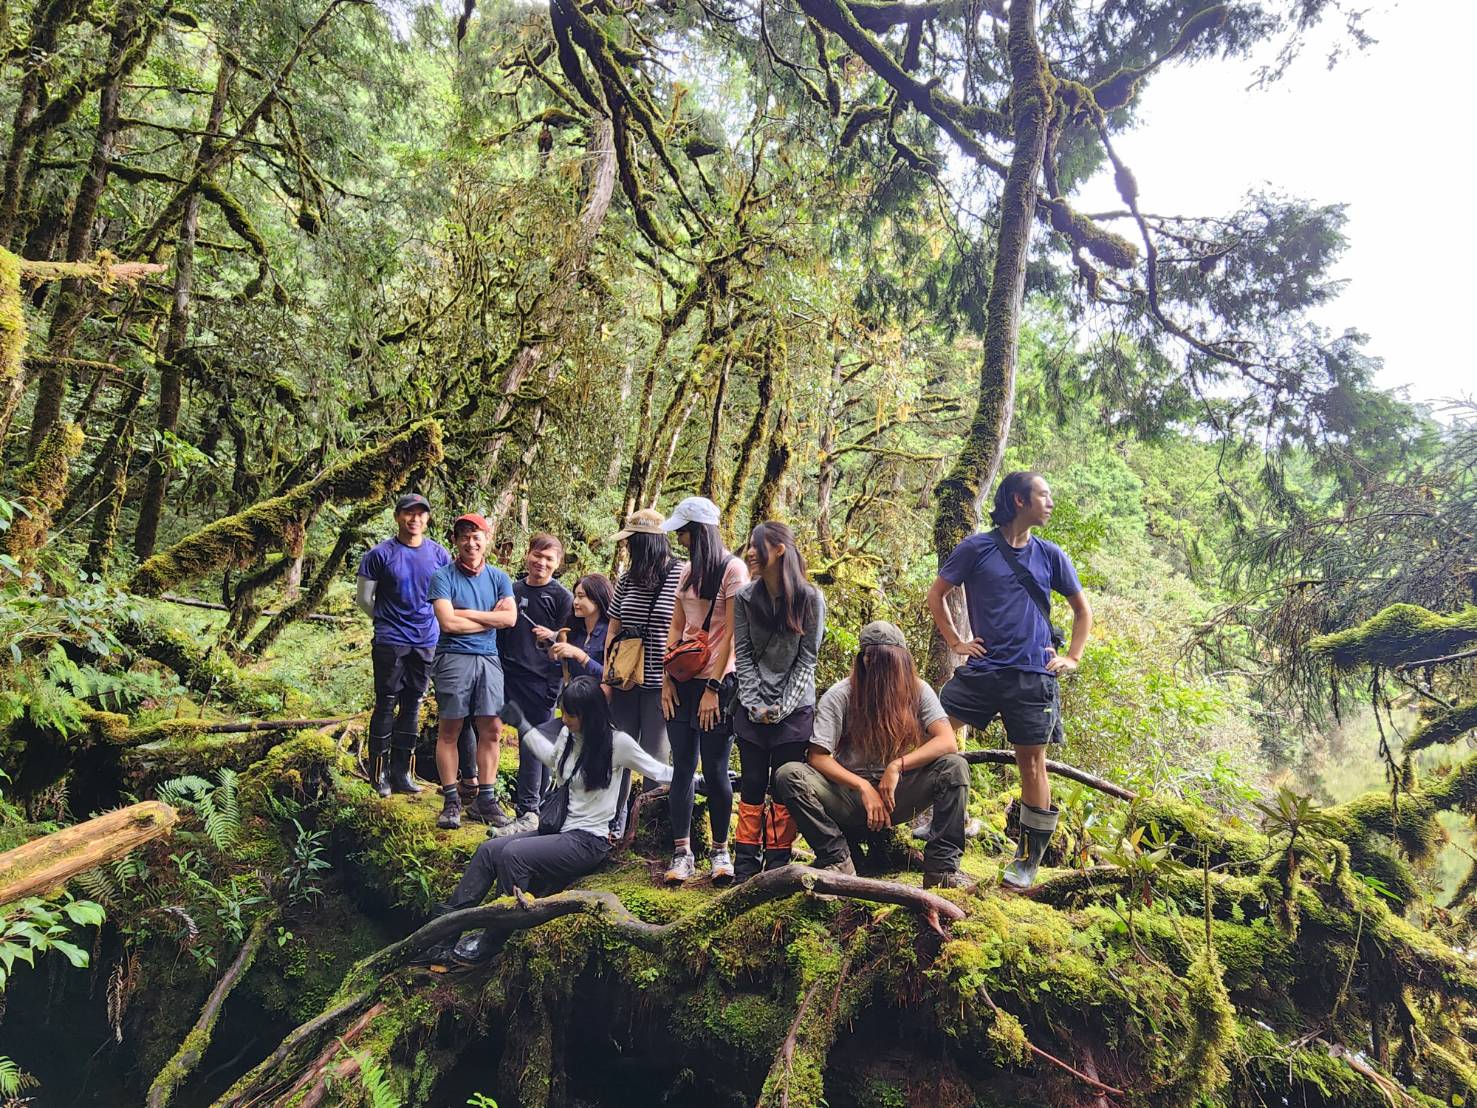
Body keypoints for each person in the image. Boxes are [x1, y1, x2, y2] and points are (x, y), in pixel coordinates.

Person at [429, 677, 673, 963]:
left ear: (588, 714)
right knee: (488, 851)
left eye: (570, 714)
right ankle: (442, 934)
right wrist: (523, 725)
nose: (564, 719)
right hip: (557, 830)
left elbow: (657, 769)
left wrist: (703, 781)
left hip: (589, 841)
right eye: (563, 712)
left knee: (513, 855)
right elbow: (552, 760)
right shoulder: (568, 737)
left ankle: (492, 941)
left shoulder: (618, 743)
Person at [926, 471, 1092, 889]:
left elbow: (1081, 610)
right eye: (1044, 494)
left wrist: (1072, 657)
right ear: (1019, 500)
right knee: (933, 731)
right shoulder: (976, 548)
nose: (1050, 502)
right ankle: (936, 818)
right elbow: (937, 593)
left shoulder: (1051, 555)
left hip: (1034, 676)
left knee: (1031, 764)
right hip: (982, 671)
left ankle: (1027, 861)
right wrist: (956, 641)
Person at [773, 622, 973, 888]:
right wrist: (862, 786)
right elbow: (818, 756)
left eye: (891, 664)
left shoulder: (918, 690)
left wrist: (896, 766)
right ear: (865, 661)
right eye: (877, 663)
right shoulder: (841, 695)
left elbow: (947, 741)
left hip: (897, 795)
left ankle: (942, 872)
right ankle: (838, 859)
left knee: (954, 767)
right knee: (789, 775)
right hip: (848, 797)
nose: (885, 673)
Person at [661, 496, 748, 885]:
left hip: (717, 683)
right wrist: (665, 680)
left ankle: (719, 850)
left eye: (683, 531)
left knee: (714, 769)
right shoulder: (685, 572)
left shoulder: (734, 570)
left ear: (699, 532)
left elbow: (731, 632)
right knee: (682, 766)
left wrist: (714, 686)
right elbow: (675, 628)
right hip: (682, 681)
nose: (679, 538)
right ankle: (681, 852)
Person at [731, 521, 825, 881]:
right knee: (753, 780)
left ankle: (778, 859)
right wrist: (754, 703)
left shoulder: (810, 598)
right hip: (751, 706)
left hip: (795, 708)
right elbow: (743, 653)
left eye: (757, 546)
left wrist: (782, 707)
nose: (750, 553)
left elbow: (807, 658)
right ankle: (744, 861)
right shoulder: (744, 597)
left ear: (780, 550)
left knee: (783, 783)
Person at [355, 493, 450, 797]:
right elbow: (363, 599)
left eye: (421, 514)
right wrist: (385, 620)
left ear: (427, 519)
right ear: (397, 516)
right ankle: (378, 774)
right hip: (391, 641)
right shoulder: (379, 555)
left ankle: (402, 773)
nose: (415, 519)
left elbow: (448, 595)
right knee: (386, 701)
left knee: (414, 702)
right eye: (409, 513)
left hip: (426, 640)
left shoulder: (439, 554)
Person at [428, 513, 517, 829]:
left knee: (492, 727)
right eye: (464, 536)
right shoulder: (443, 577)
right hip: (453, 658)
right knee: (450, 728)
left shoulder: (498, 578)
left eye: (476, 535)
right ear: (455, 540)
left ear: (487, 539)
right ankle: (452, 800)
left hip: (489, 659)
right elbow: (448, 623)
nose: (471, 542)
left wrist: (467, 614)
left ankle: (486, 800)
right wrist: (486, 618)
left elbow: (509, 619)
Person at [605, 509, 683, 836]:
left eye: (632, 542)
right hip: (625, 681)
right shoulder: (627, 580)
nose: (628, 549)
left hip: (660, 684)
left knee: (654, 756)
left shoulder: (682, 574)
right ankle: (611, 823)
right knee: (616, 752)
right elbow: (613, 629)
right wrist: (608, 677)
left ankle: (649, 830)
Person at [495, 534, 575, 835]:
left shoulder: (562, 597)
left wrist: (554, 635)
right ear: (527, 555)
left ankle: (530, 809)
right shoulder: (511, 590)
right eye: (537, 556)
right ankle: (526, 806)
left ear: (557, 564)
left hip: (543, 680)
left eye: (549, 559)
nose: (541, 563)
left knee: (535, 743)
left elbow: (572, 637)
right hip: (509, 675)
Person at [549, 573, 613, 681]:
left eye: (581, 596)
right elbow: (563, 672)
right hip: (573, 693)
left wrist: (580, 656)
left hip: (598, 695)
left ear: (597, 598)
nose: (575, 602)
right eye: (575, 596)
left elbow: (612, 677)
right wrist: (555, 655)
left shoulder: (610, 633)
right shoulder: (574, 630)